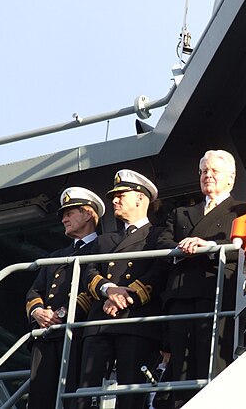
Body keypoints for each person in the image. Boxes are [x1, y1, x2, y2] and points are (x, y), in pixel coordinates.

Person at [157, 150, 246, 407]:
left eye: (214, 171)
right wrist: (182, 248)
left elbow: (244, 247)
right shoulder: (180, 213)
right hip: (180, 295)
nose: (208, 176)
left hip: (217, 292)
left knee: (212, 364)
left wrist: (207, 246)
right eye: (203, 171)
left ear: (230, 178)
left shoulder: (243, 210)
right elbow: (162, 243)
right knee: (182, 368)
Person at [74, 169, 166, 409]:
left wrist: (126, 296)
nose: (114, 200)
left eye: (120, 195)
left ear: (140, 198)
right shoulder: (104, 241)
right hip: (100, 324)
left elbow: (159, 272)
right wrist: (109, 290)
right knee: (86, 391)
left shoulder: (157, 235)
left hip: (136, 321)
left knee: (131, 393)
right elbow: (90, 272)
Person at [25, 186, 105, 409]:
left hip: (79, 334)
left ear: (88, 213)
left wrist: (62, 314)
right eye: (63, 215)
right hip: (47, 336)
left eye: (69, 213)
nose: (64, 220)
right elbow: (35, 292)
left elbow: (95, 289)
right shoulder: (56, 256)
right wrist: (38, 312)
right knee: (41, 400)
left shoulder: (104, 247)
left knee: (72, 400)